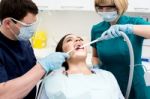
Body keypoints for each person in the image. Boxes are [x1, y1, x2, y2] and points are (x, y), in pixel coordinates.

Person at [0, 0, 69, 99]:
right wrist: (43, 65)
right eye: (27, 26)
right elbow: (3, 94)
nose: (32, 30)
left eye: (33, 25)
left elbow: (32, 74)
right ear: (7, 23)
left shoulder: (24, 41)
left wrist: (50, 69)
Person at [91, 0, 150, 99]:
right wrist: (96, 67)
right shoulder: (96, 29)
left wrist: (129, 28)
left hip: (133, 81)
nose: (104, 11)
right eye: (100, 8)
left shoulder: (135, 22)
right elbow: (95, 56)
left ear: (120, 6)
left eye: (109, 7)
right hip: (109, 82)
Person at [39, 34, 124, 99]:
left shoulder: (107, 76)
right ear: (61, 52)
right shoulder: (53, 80)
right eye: (69, 40)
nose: (77, 40)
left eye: (80, 39)